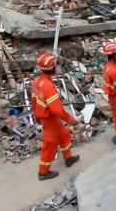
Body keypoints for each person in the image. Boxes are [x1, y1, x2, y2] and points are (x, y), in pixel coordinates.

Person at [31, 52, 80, 181]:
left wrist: (35, 115)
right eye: (56, 65)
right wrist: (72, 120)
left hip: (47, 117)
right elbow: (58, 110)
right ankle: (43, 172)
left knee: (64, 135)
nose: (57, 67)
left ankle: (68, 158)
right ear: (52, 68)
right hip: (49, 118)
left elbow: (34, 100)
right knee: (50, 144)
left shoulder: (38, 81)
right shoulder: (48, 86)